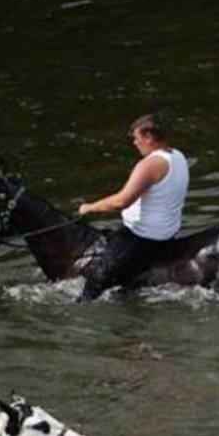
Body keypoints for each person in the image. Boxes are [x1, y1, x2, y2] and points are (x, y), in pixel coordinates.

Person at [78, 114, 189, 301]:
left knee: (95, 279)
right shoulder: (178, 156)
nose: (135, 143)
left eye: (137, 138)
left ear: (148, 138)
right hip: (168, 234)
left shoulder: (150, 165)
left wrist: (89, 208)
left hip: (143, 237)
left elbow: (121, 201)